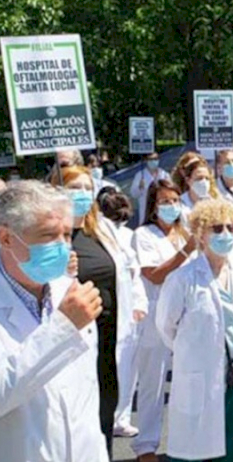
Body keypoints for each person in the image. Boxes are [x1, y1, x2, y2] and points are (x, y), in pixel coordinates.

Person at [0, 180, 108, 462]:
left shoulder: (69, 291)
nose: (62, 246)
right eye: (48, 235)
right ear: (5, 238)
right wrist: (62, 328)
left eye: (66, 234)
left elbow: (85, 398)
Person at [155, 199, 233, 462]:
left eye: (231, 227)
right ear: (200, 234)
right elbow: (165, 326)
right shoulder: (182, 279)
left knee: (232, 447)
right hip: (200, 373)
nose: (226, 235)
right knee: (192, 449)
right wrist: (192, 351)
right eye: (217, 228)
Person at [51, 166, 148, 457]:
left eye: (86, 187)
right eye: (74, 187)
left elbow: (128, 269)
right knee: (77, 415)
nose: (82, 194)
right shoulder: (52, 235)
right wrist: (60, 271)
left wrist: (138, 302)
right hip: (74, 338)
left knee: (105, 408)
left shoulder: (102, 228)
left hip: (110, 334)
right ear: (57, 191)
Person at [132, 180, 196, 462]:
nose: (171, 206)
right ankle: (146, 445)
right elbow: (154, 275)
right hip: (156, 313)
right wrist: (185, 252)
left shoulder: (185, 233)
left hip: (188, 313)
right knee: (153, 383)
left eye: (175, 200)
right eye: (164, 202)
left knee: (190, 379)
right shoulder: (143, 234)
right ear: (153, 206)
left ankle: (189, 441)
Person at [97, 187, 147, 439]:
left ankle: (122, 416)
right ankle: (104, 415)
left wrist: (139, 303)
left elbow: (135, 273)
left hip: (129, 309)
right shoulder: (94, 234)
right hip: (106, 306)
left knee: (128, 365)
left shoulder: (128, 236)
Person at [130, 152, 171, 224]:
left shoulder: (164, 174)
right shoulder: (140, 175)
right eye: (151, 159)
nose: (153, 161)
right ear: (146, 161)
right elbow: (133, 194)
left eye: (155, 159)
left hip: (162, 208)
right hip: (146, 209)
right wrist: (140, 187)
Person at [179, 155, 220, 226]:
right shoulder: (180, 205)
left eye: (207, 178)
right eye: (199, 178)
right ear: (188, 180)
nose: (204, 182)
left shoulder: (216, 204)